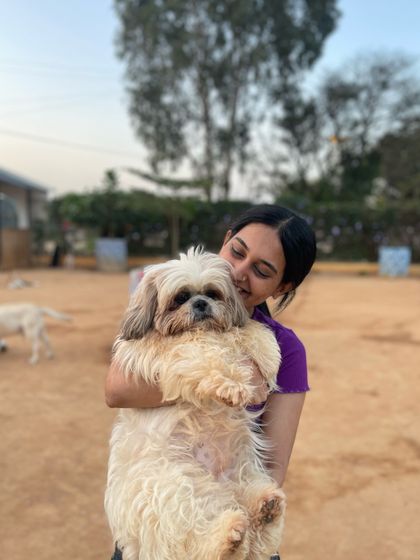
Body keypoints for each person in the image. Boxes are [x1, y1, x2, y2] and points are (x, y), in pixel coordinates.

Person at [105, 204, 316, 559]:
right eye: (237, 252)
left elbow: (273, 467)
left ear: (283, 286)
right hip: (168, 502)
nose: (239, 273)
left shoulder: (285, 348)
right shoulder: (155, 324)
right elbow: (116, 389)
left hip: (229, 506)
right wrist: (213, 379)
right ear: (226, 240)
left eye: (262, 271)